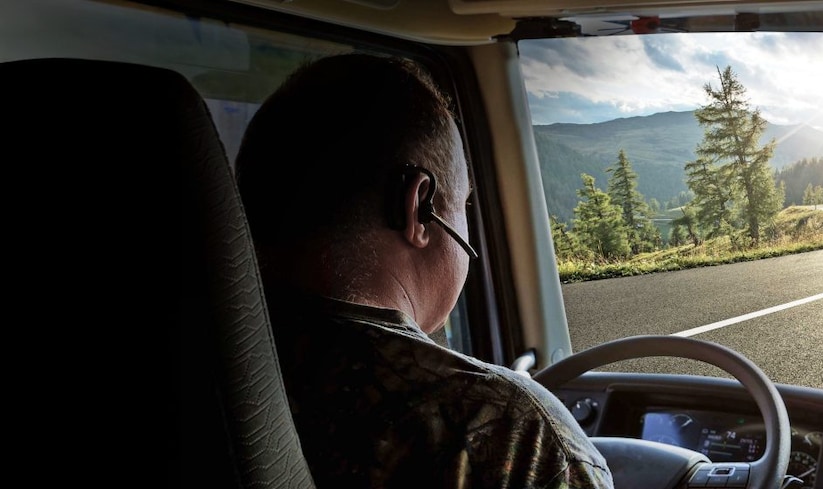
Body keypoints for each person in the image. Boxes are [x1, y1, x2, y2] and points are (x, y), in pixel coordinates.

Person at [235, 54, 613, 489]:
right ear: (418, 207)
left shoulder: (200, 367)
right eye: (465, 204)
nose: (467, 217)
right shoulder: (504, 430)